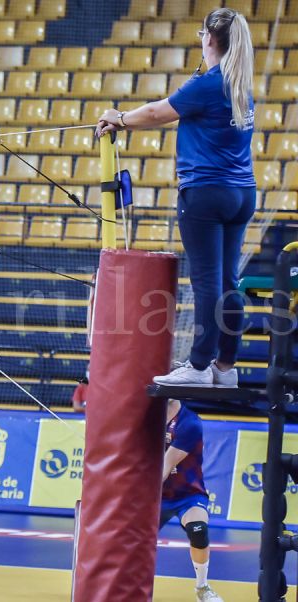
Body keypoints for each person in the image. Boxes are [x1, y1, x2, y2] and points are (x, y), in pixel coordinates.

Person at [96, 8, 256, 387]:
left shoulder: (209, 84)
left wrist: (119, 117)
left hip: (205, 193)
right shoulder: (240, 85)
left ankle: (198, 366)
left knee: (207, 283)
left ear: (209, 39)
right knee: (229, 282)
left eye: (202, 34)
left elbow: (156, 113)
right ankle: (225, 367)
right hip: (241, 193)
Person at [160, 398, 222, 602]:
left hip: (187, 494)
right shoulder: (146, 416)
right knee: (131, 539)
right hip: (155, 497)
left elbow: (165, 467)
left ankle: (202, 588)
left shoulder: (189, 422)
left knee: (198, 530)